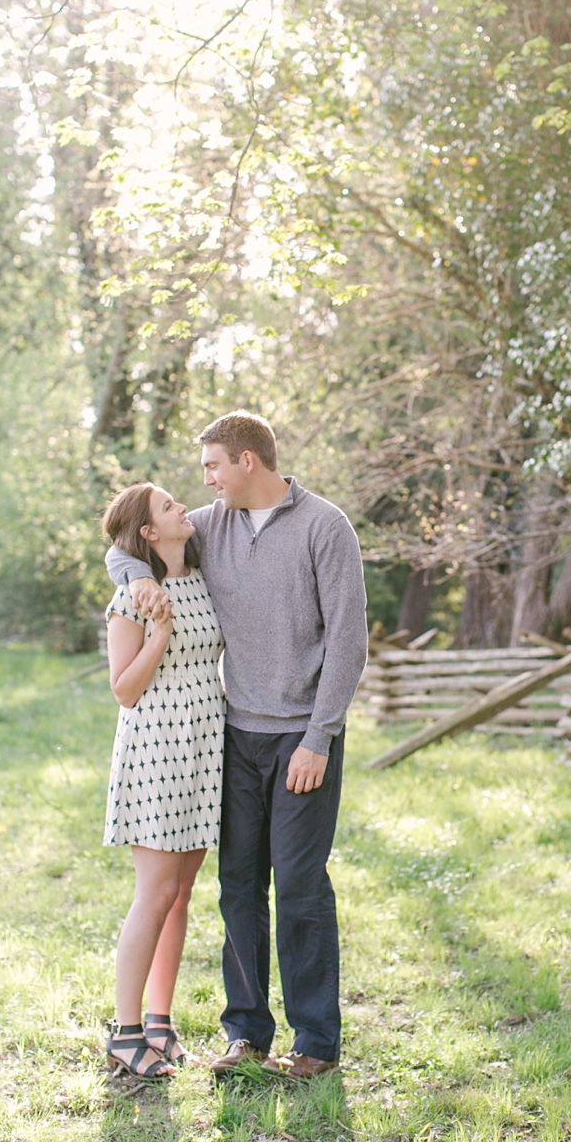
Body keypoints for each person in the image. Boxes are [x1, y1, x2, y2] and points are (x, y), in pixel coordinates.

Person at [108, 411, 367, 1080]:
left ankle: (315, 1043)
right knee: (239, 885)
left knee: (301, 888)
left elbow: (348, 640)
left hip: (303, 740)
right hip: (234, 737)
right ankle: (246, 1033)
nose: (206, 481)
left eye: (214, 466)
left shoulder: (324, 526)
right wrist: (129, 576)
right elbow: (130, 537)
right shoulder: (209, 526)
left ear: (247, 461)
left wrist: (320, 736)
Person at [100, 483, 224, 1080]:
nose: (184, 508)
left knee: (181, 895)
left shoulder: (199, 575)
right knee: (154, 892)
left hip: (205, 749)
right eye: (169, 506)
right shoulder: (131, 598)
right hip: (156, 749)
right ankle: (124, 1034)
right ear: (149, 533)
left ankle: (159, 1021)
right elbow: (124, 689)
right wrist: (158, 639)